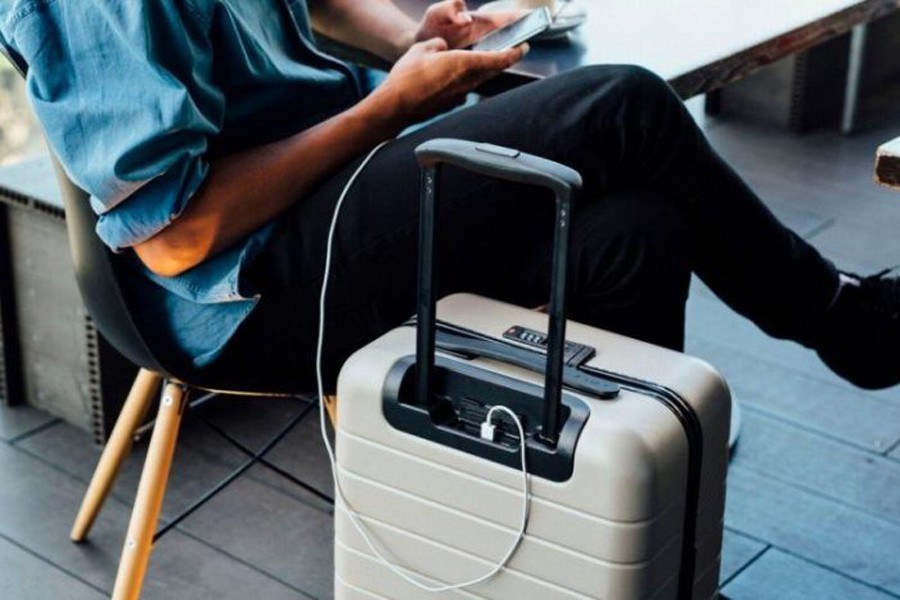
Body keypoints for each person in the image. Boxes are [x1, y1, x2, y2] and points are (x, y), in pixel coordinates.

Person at [1, 0, 898, 394]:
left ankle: (601, 548)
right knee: (621, 105)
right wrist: (391, 105)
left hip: (328, 184)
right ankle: (839, 316)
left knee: (639, 231)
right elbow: (177, 236)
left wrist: (407, 39)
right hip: (240, 286)